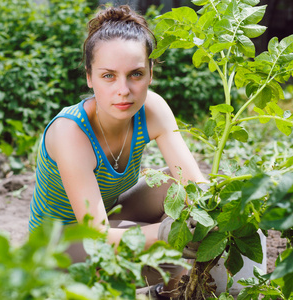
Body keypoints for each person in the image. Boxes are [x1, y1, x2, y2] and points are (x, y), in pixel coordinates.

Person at [28, 4, 208, 298]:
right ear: (89, 77)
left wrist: (206, 216)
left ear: (150, 74)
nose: (123, 90)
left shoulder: (152, 109)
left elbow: (196, 186)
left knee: (176, 187)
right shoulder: (70, 132)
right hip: (59, 242)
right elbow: (97, 235)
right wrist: (166, 234)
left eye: (135, 74)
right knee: (174, 268)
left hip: (109, 214)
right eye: (108, 76)